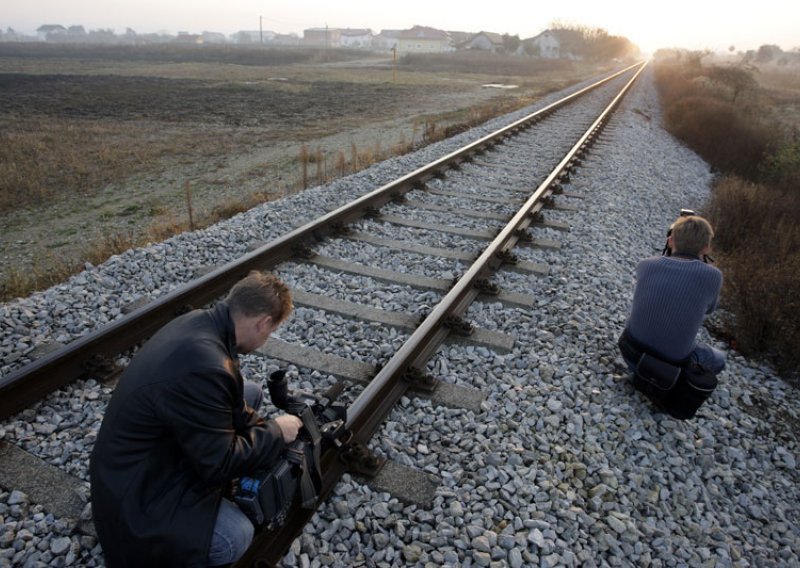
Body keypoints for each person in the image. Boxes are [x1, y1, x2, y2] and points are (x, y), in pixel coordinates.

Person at [90, 271, 303, 567]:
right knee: (235, 536)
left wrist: (262, 430)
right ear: (263, 322)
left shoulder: (203, 325)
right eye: (270, 331)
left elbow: (234, 406)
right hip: (137, 504)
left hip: (143, 462)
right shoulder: (206, 367)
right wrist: (276, 432)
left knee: (248, 392)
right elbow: (221, 463)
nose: (266, 338)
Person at [619, 214, 726, 375]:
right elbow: (710, 309)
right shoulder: (714, 275)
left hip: (630, 353)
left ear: (670, 241)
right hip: (671, 364)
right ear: (706, 248)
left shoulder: (646, 265)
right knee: (719, 358)